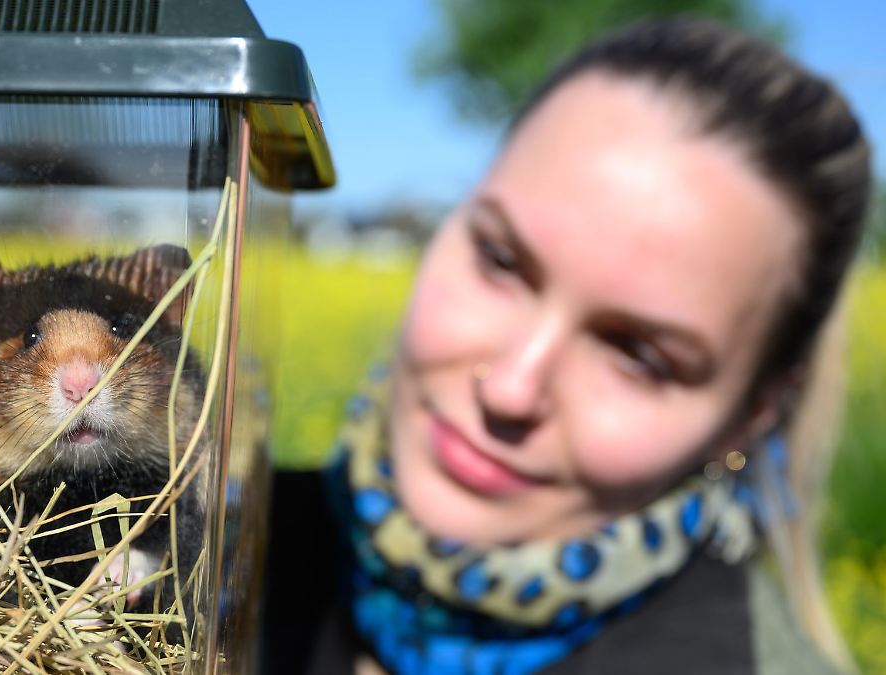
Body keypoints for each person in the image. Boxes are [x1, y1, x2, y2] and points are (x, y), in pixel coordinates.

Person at [261, 16, 870, 675]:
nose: (510, 388)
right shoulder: (194, 557)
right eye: (500, 260)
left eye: (639, 355)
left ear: (752, 414)